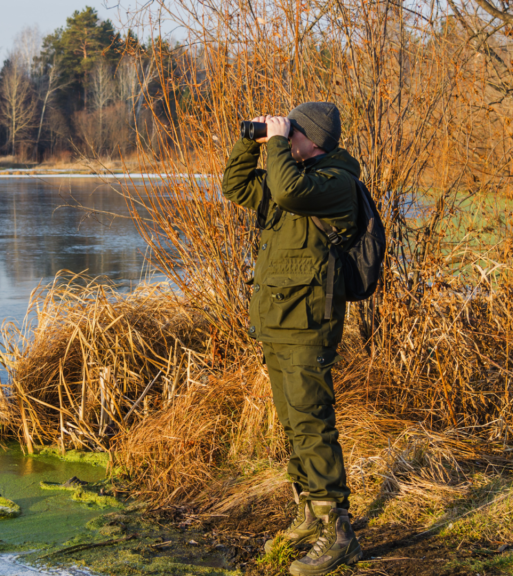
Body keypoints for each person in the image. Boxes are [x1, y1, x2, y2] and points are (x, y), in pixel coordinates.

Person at [220, 102, 363, 575]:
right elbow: (236, 186)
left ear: (313, 139)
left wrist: (277, 144)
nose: (285, 136)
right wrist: (251, 141)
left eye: (294, 131)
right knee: (292, 424)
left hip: (308, 325)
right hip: (278, 322)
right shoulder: (292, 175)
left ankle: (338, 533)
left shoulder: (334, 182)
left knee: (312, 425)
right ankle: (308, 515)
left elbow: (285, 188)